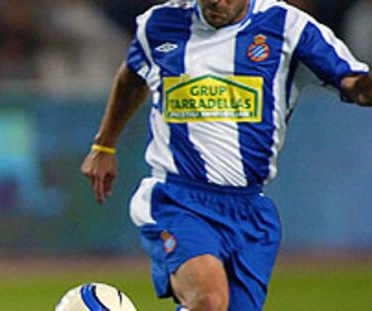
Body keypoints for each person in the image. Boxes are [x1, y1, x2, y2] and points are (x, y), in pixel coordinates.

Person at [81, 0, 372, 310]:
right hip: (178, 198)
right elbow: (132, 75)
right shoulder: (160, 24)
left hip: (249, 211)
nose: (217, 2)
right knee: (209, 300)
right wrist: (103, 145)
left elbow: (354, 84)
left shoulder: (289, 26)